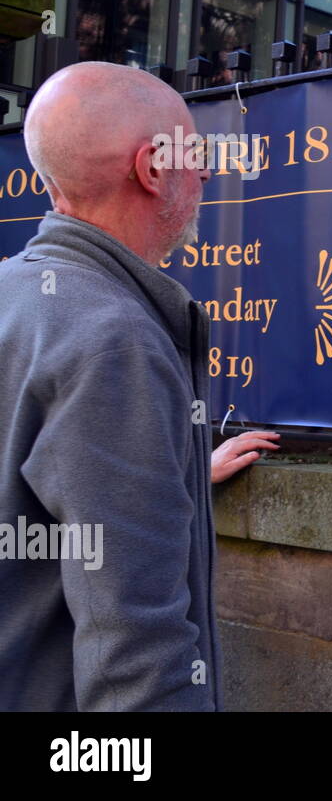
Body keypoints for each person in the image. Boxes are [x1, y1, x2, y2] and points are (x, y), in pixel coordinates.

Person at [0, 62, 279, 711]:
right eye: (192, 153)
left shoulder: (18, 297)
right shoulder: (114, 338)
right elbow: (138, 662)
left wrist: (167, 468)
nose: (207, 172)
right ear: (153, 169)